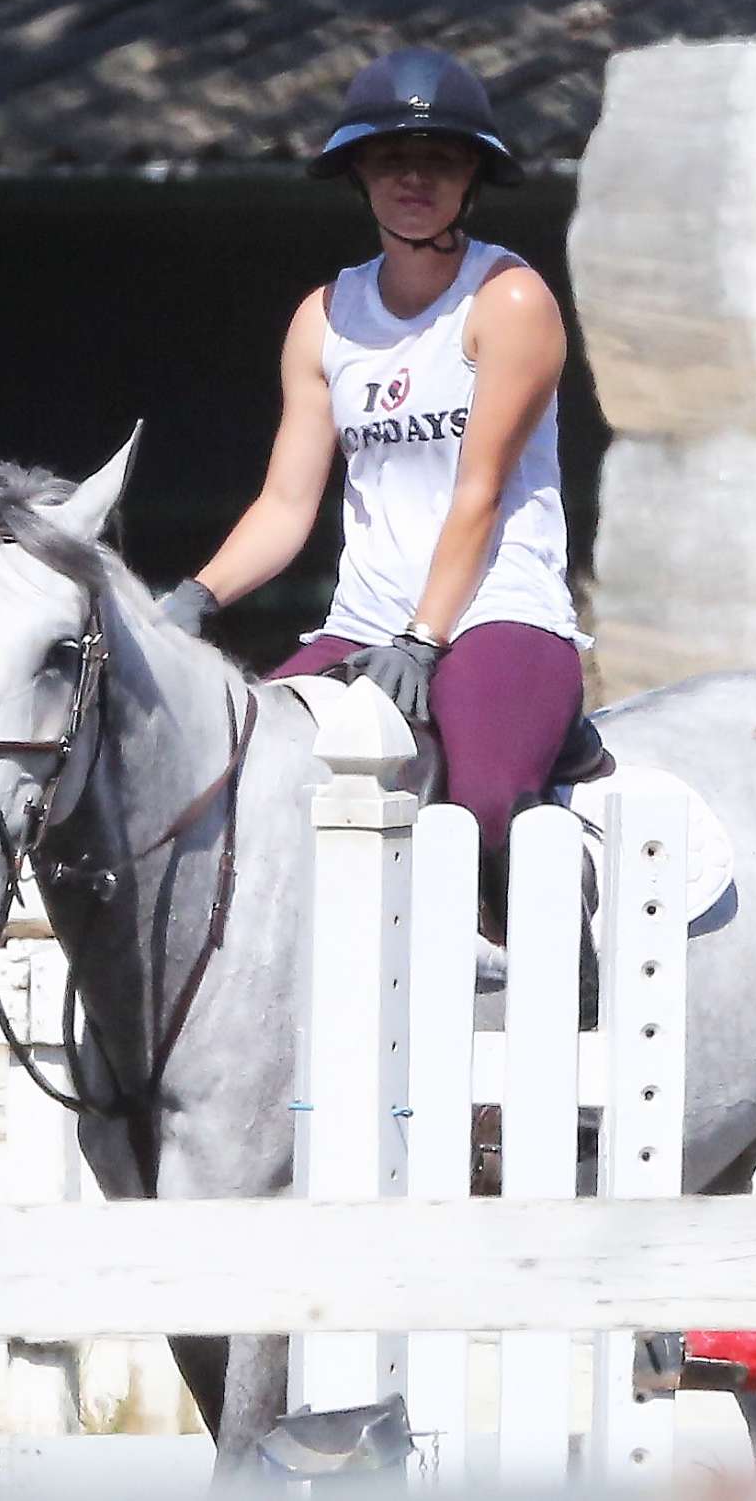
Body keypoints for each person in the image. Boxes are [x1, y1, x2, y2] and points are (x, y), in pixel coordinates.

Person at [163, 46, 591, 931]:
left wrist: (425, 640)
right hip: (361, 627)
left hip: (491, 612)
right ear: (357, 172)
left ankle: (559, 968)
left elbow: (478, 492)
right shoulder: (325, 316)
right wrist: (189, 600)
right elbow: (286, 506)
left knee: (477, 804)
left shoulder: (509, 300)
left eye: (440, 158)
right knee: (249, 781)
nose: (414, 177)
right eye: (393, 157)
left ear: (474, 174)